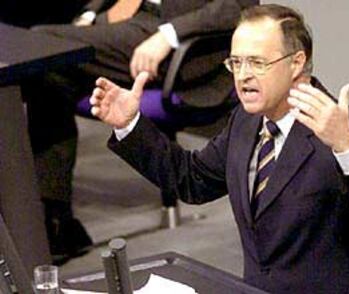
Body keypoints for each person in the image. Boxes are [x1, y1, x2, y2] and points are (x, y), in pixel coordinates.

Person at [89, 4, 349, 293]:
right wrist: (129, 124)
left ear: (297, 62)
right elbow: (192, 180)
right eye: (236, 63)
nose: (242, 77)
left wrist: (347, 148)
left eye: (256, 62)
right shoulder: (246, 120)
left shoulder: (348, 130)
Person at [22, 0, 258, 265]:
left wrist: (169, 34)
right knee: (48, 71)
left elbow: (238, 6)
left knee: (39, 45)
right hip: (127, 18)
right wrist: (90, 13)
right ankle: (56, 220)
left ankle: (55, 223)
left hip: (176, 38)